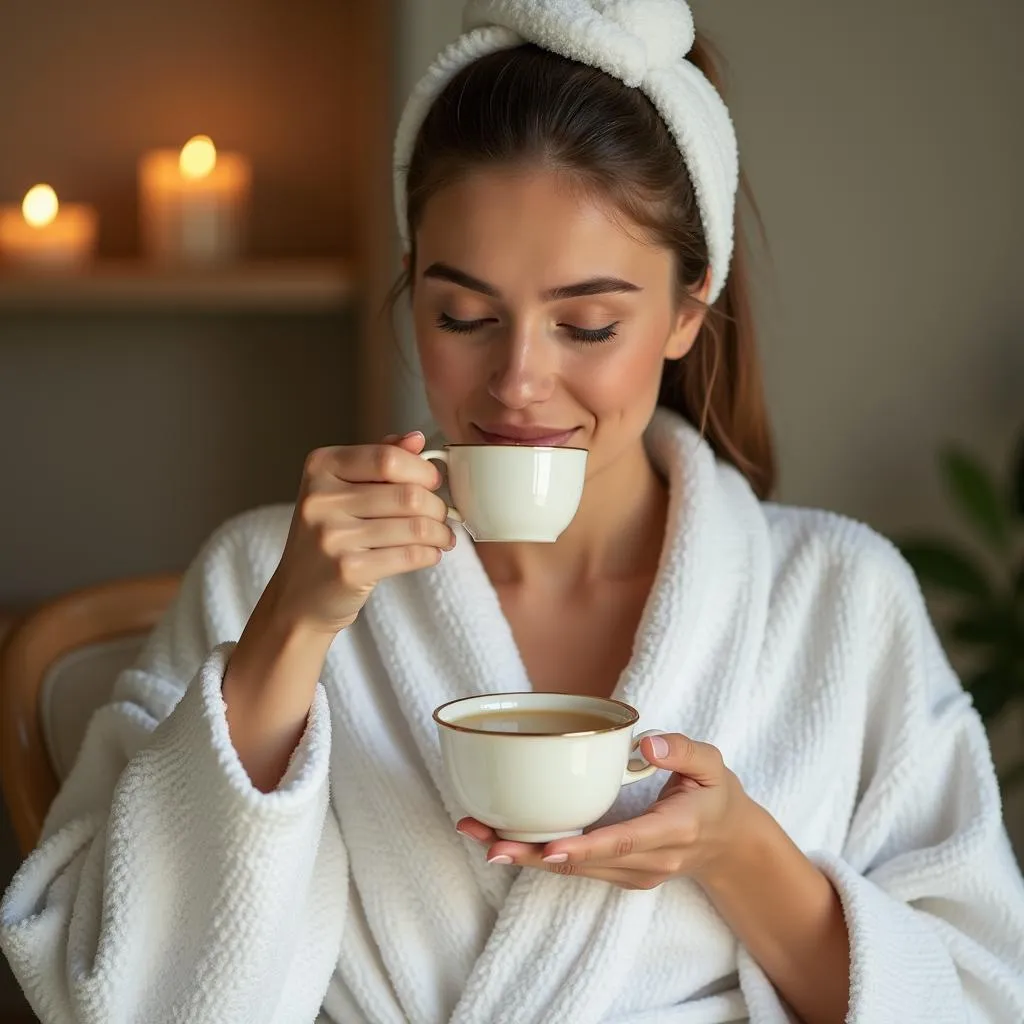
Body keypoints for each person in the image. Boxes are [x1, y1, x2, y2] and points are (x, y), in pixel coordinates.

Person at [3, 1, 1024, 1021]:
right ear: (410, 289)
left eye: (586, 324)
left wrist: (737, 854)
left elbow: (981, 992)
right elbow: (119, 992)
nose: (518, 381)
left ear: (685, 309)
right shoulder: (261, 573)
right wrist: (286, 636)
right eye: (465, 316)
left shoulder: (839, 600)